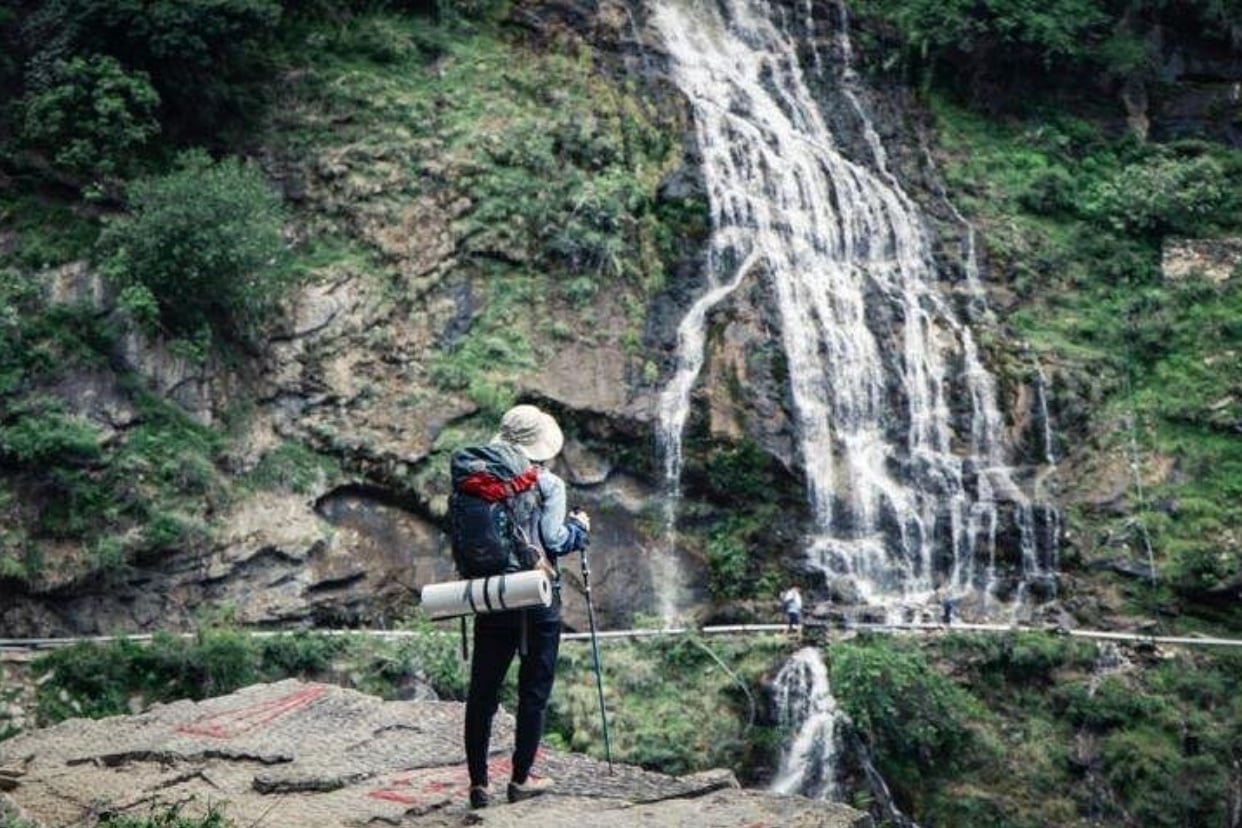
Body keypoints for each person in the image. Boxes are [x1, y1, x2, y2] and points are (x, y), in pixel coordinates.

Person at [464, 404, 590, 809]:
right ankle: (519, 780)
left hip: (493, 593)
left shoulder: (476, 480)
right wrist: (580, 529)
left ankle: (478, 786)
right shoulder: (549, 484)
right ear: (540, 444)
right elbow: (553, 540)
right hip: (537, 597)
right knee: (532, 692)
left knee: (482, 693)